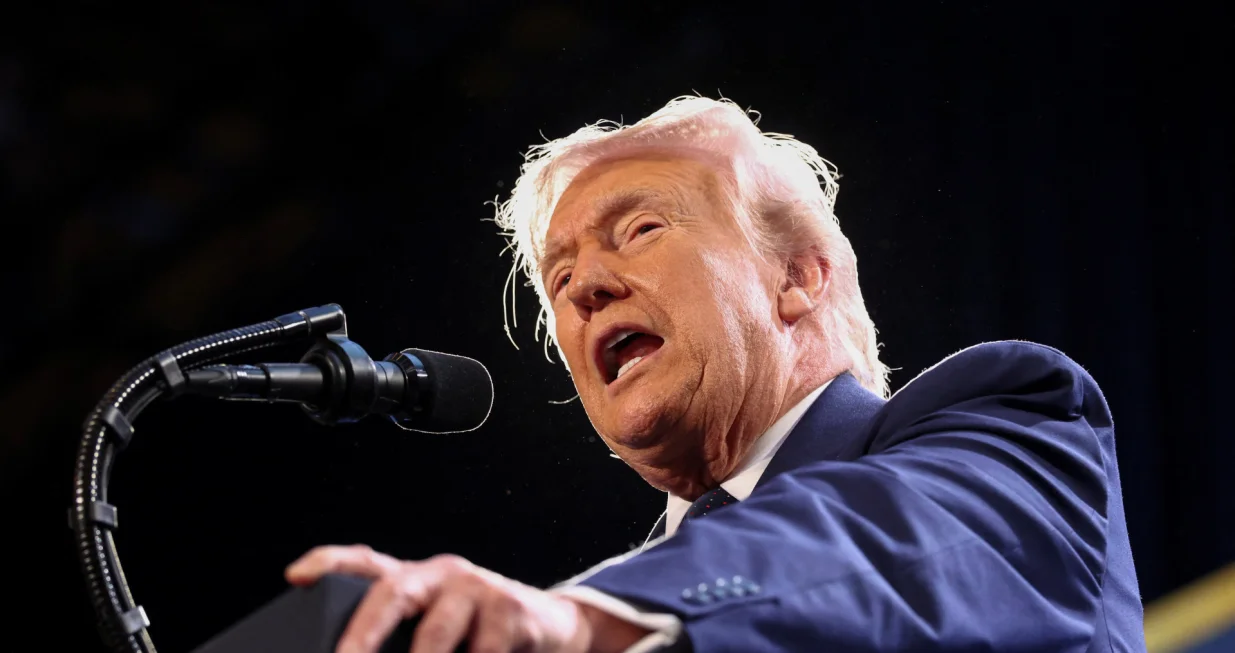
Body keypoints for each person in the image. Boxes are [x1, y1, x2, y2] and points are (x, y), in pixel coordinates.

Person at [284, 96, 1146, 652]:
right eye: (557, 277)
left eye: (642, 228)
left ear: (797, 277)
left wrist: (572, 618)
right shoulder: (625, 607)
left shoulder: (1008, 425)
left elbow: (881, 546)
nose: (583, 285)